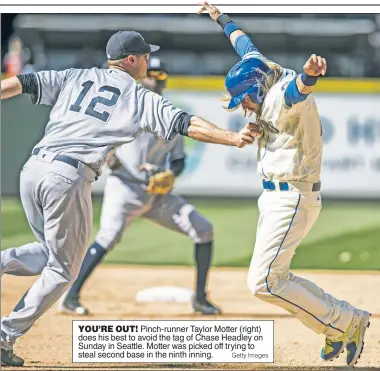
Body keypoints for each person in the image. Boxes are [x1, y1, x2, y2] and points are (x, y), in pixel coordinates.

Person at [0, 30, 260, 366]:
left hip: (33, 168)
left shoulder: (75, 76)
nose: (149, 63)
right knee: (64, 270)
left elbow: (19, 83)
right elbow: (186, 123)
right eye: (146, 57)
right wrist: (232, 137)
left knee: (50, 254)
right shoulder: (138, 97)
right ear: (132, 60)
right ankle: (5, 336)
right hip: (67, 176)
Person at [198, 2, 371, 367]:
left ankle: (345, 322)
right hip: (277, 196)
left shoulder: (281, 95)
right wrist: (220, 18)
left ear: (258, 88)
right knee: (277, 277)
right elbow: (244, 45)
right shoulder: (263, 71)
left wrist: (310, 74)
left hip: (292, 197)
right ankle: (339, 323)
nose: (242, 105)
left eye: (243, 97)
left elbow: (298, 90)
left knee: (264, 283)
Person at [58, 57, 221, 316]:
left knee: (204, 229)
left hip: (157, 195)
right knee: (108, 237)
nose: (155, 78)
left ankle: (200, 299)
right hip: (124, 188)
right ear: (141, 76)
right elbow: (103, 147)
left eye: (160, 74)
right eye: (151, 73)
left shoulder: (170, 115)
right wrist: (122, 169)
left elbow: (178, 159)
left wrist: (170, 174)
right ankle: (71, 296)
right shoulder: (125, 108)